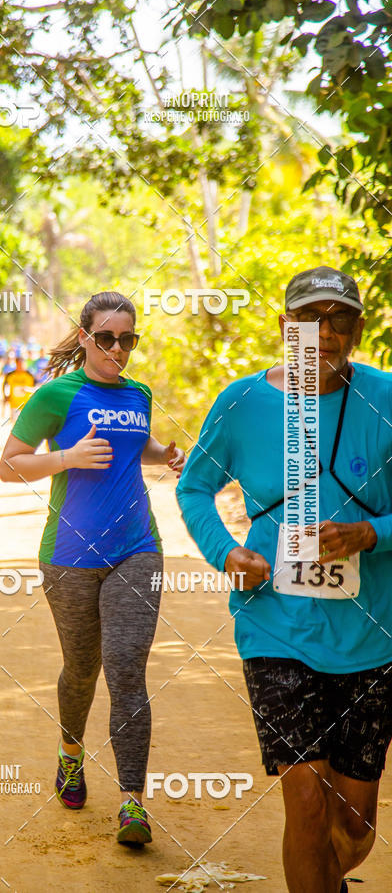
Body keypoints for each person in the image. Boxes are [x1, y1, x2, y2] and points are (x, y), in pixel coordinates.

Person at [176, 266, 392, 893]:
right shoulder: (242, 404)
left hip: (372, 635)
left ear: (357, 328)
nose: (324, 334)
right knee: (305, 801)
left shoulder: (385, 398)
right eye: (309, 320)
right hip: (275, 624)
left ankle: (332, 876)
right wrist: (226, 552)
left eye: (339, 320)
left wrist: (372, 533)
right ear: (283, 327)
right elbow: (195, 487)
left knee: (353, 829)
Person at [0, 290, 185, 845]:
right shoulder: (57, 395)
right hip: (70, 558)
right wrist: (66, 458)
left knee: (126, 668)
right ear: (84, 338)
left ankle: (133, 803)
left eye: (128, 339)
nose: (118, 349)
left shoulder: (139, 393)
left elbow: (138, 445)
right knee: (82, 670)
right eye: (106, 338)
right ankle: (70, 753)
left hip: (137, 547)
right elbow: (9, 465)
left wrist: (165, 455)